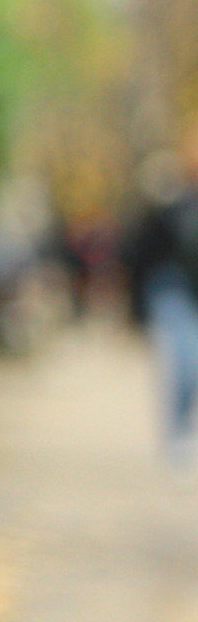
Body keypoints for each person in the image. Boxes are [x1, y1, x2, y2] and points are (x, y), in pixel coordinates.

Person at [124, 143, 198, 475]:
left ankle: (180, 432)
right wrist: (136, 310)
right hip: (171, 291)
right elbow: (139, 255)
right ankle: (178, 433)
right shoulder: (169, 204)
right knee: (186, 363)